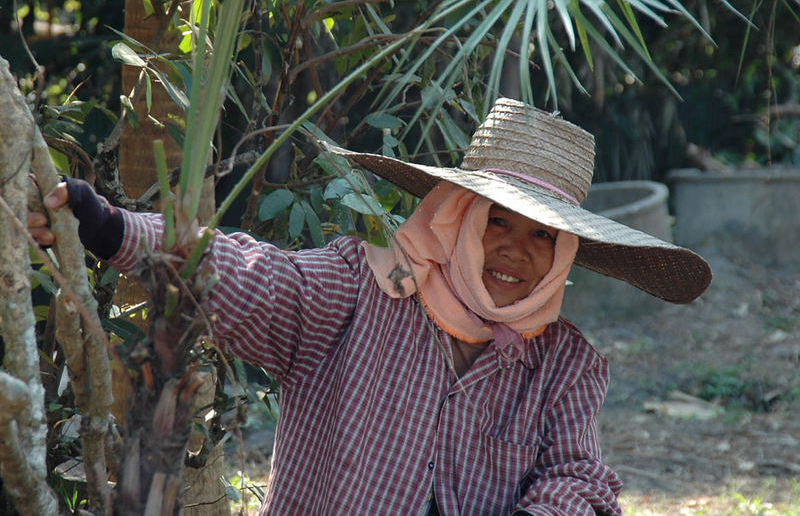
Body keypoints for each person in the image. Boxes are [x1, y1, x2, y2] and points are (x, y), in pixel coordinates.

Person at [28, 98, 712, 515]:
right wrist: (110, 227)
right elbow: (255, 277)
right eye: (497, 221)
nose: (516, 250)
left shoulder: (563, 362)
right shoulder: (359, 286)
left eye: (544, 235)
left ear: (566, 253)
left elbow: (580, 475)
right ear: (455, 217)